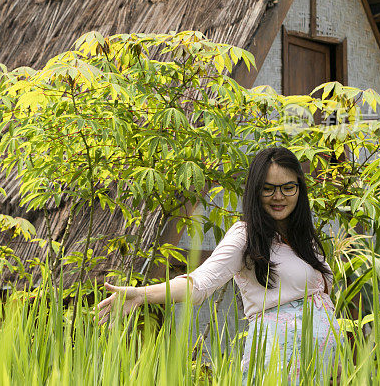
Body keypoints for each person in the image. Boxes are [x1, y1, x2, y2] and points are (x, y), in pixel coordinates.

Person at [95, 146, 340, 382]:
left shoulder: (304, 239)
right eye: (268, 189)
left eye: (288, 188)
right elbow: (200, 283)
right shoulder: (246, 236)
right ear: (255, 191)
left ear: (300, 189)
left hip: (318, 364)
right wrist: (141, 295)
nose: (279, 197)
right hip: (279, 360)